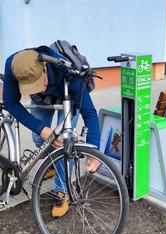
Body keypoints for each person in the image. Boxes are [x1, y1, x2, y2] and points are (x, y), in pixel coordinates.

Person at [3, 46, 100, 217]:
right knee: (40, 139)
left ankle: (61, 191)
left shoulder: (69, 72)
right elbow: (11, 103)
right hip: (43, 101)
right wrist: (41, 129)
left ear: (45, 69)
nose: (38, 89)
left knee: (65, 144)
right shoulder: (13, 64)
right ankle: (55, 162)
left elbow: (89, 113)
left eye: (39, 84)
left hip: (67, 94)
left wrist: (94, 151)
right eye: (31, 87)